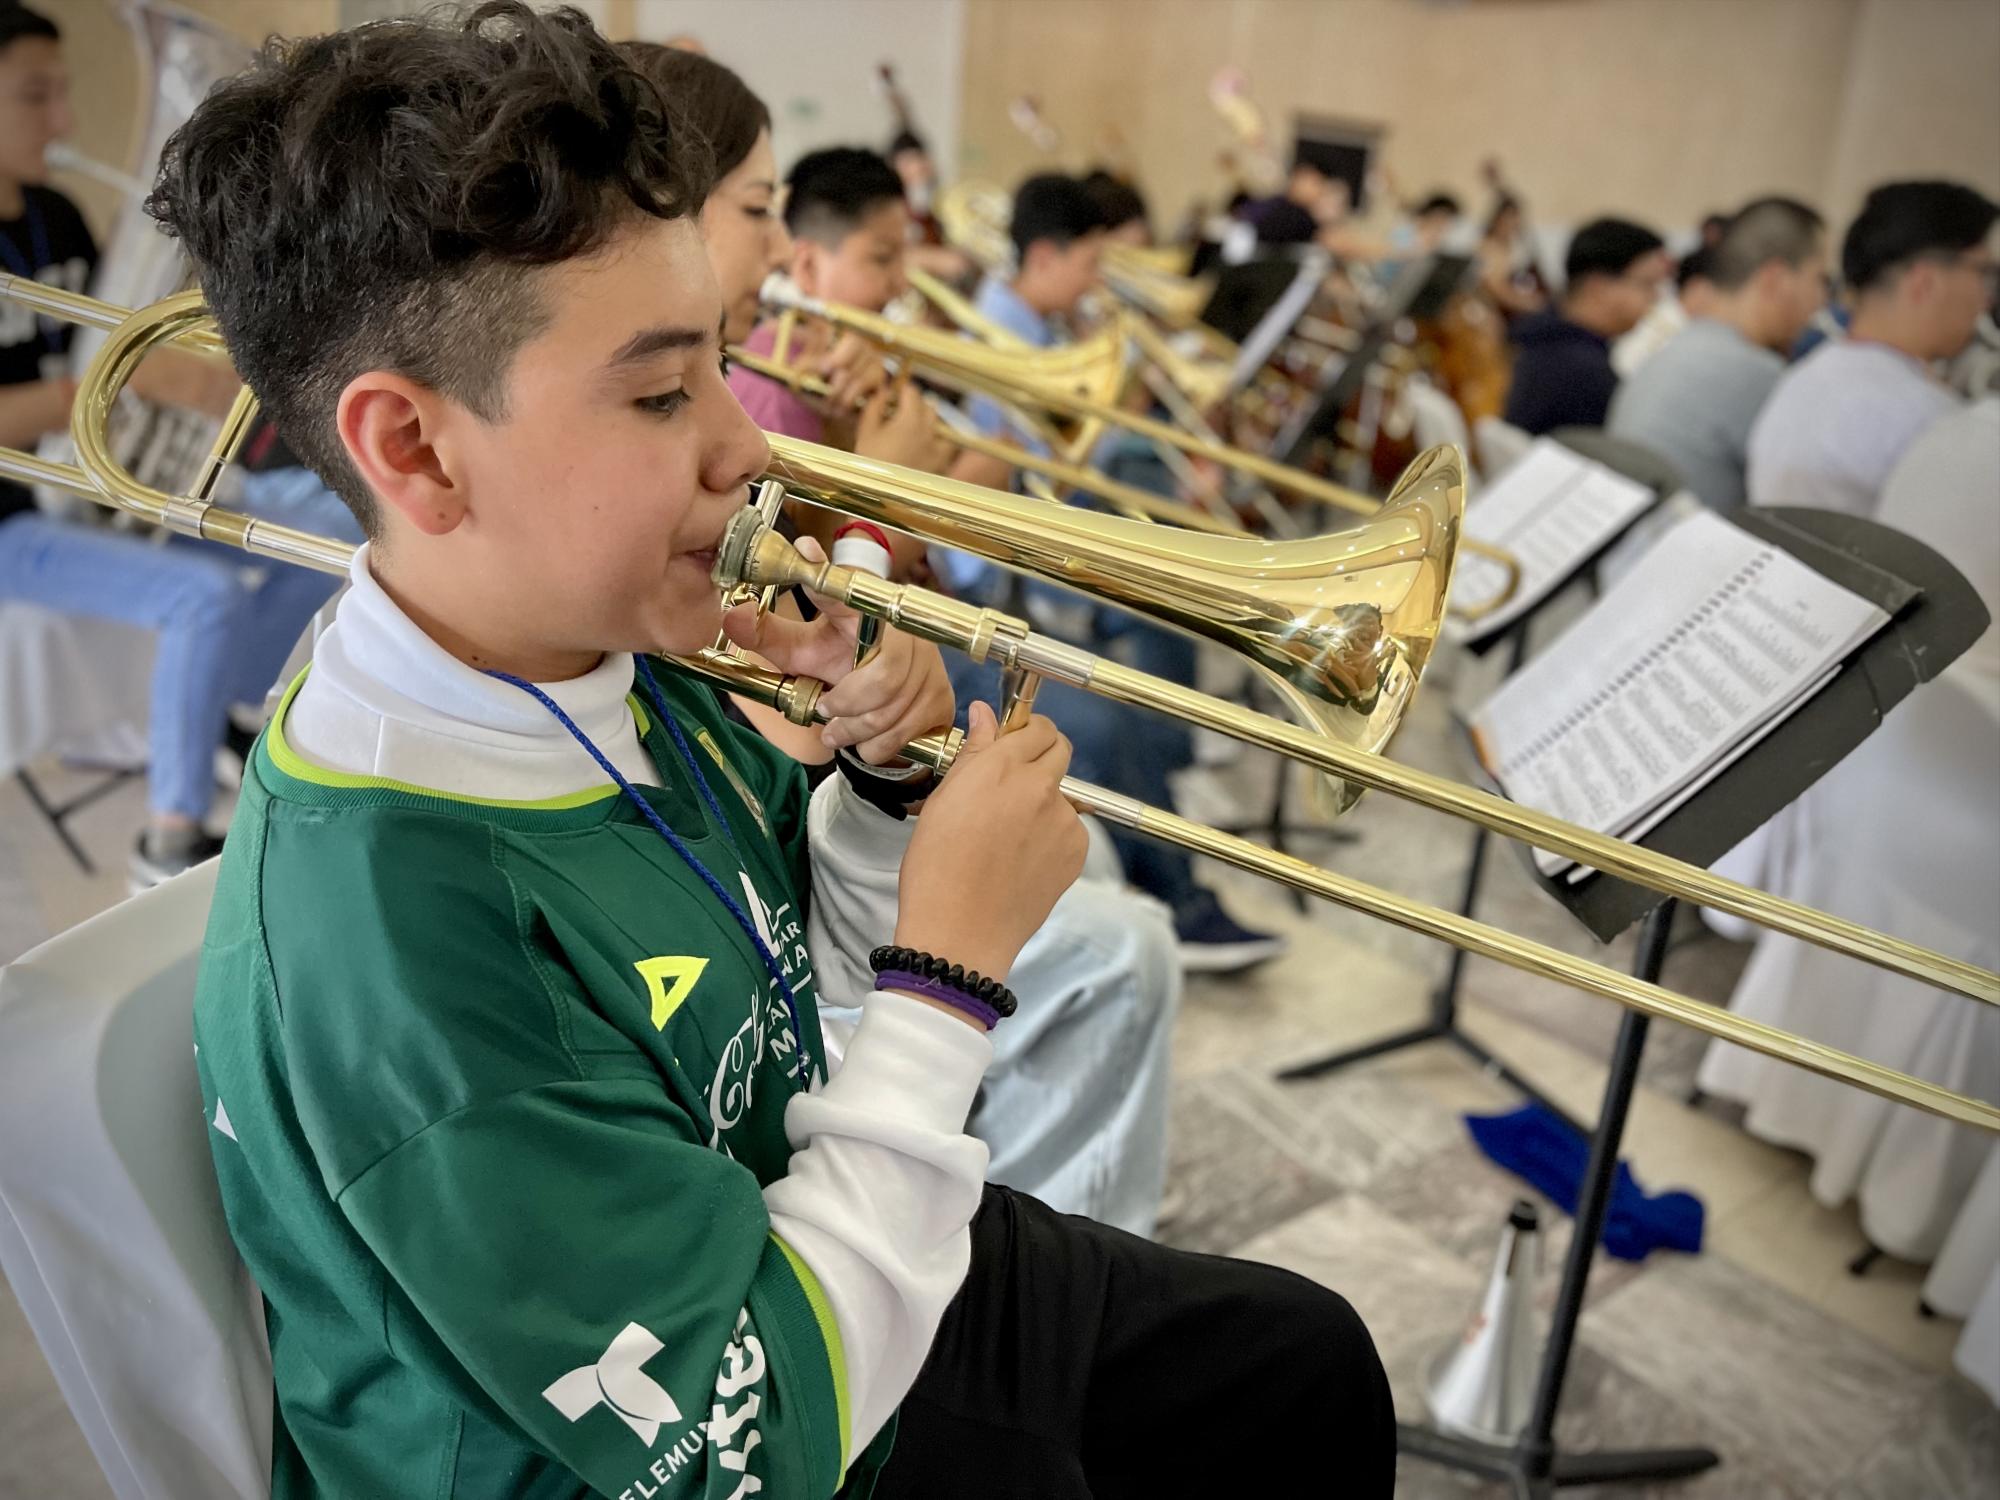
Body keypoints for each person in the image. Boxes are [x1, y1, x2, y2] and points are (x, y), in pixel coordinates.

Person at [150, 8, 1392, 1499]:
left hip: (776, 1222)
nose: (751, 450)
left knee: (1297, 1363)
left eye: (724, 368)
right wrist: (953, 978)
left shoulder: (601, 654)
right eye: (664, 390)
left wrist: (878, 798)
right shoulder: (393, 940)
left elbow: (797, 998)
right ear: (413, 451)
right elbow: (748, 1440)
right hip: (702, 1422)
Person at [646, 83, 1179, 1234]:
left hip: (835, 834)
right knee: (1122, 936)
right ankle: (1038, 1242)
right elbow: (778, 733)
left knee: (1093, 870)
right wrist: (886, 529)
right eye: (757, 208)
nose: (785, 247)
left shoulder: (756, 392)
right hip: (795, 904)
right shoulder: (737, 405)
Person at [0, 0, 346, 886]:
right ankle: (167, 833)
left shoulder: (58, 217)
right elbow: (94, 379)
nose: (64, 120)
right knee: (202, 597)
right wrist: (101, 387)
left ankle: (225, 704)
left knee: (344, 527)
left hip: (81, 492)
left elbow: (119, 345)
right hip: (12, 519)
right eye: (36, 96)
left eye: (61, 93)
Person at [962, 173, 1286, 971]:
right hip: (992, 570)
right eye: (1090, 263)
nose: (1098, 282)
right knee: (1113, 692)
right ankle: (1172, 889)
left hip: (1025, 542)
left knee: (1164, 560)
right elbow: (1042, 476)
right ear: (1044, 256)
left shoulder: (1045, 322)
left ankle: (1168, 772)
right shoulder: (995, 338)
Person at [1748, 180, 1997, 515]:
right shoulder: (1930, 420)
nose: (1987, 297)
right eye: (1983, 272)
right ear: (1926, 283)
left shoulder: (1801, 379)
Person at [1609, 197, 1828, 509]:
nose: (1821, 300)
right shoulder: (1756, 372)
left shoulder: (1679, 346)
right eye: (1819, 279)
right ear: (1776, 280)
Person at [1502, 216, 1669, 436]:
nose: (1656, 297)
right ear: (1598, 287)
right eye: (1647, 284)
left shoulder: (1534, 335)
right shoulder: (1588, 376)